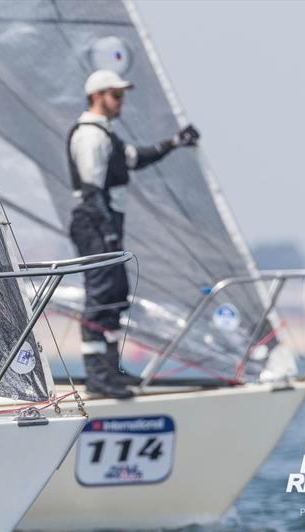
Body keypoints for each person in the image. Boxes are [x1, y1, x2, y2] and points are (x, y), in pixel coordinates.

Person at [68, 70, 199, 399]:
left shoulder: (107, 134)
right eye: (117, 95)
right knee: (100, 298)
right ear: (98, 96)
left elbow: (136, 158)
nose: (122, 102)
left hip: (107, 224)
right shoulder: (89, 135)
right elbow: (89, 191)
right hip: (95, 223)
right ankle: (97, 375)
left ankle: (112, 369)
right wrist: (108, 236)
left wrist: (175, 142)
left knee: (115, 295)